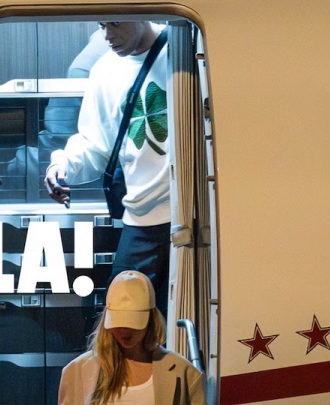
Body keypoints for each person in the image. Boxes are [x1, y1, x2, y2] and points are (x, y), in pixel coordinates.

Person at [44, 21, 171, 317]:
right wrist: (62, 165)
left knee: (190, 318)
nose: (108, 35)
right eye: (102, 24)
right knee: (122, 321)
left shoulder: (185, 46)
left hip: (196, 214)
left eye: (115, 22)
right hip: (142, 219)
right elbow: (95, 145)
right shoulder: (105, 70)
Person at [58, 270, 205, 405]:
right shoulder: (75, 372)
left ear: (151, 319)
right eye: (118, 322)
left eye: (132, 323)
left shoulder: (185, 372)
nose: (124, 331)